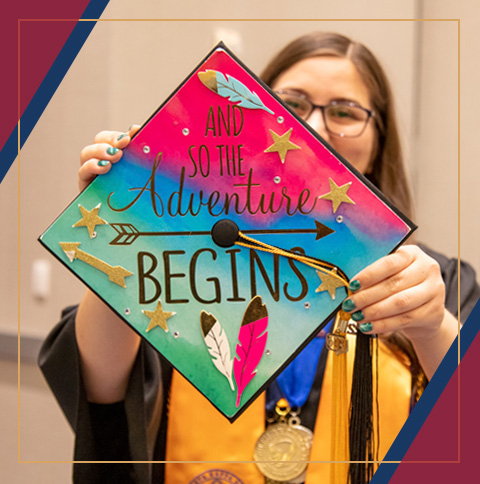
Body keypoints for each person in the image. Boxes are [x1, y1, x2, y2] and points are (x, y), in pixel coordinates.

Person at [39, 32, 479, 484]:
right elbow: (103, 396)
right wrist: (124, 233)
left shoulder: (424, 282)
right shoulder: (191, 255)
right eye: (292, 103)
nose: (315, 127)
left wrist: (433, 328)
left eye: (345, 112)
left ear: (377, 141)